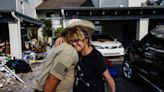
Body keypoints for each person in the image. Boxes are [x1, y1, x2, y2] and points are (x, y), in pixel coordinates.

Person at [56, 19, 115, 92]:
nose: (74, 44)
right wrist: (61, 37)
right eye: (72, 41)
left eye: (77, 40)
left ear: (86, 39)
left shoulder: (96, 56)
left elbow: (108, 79)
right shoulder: (75, 53)